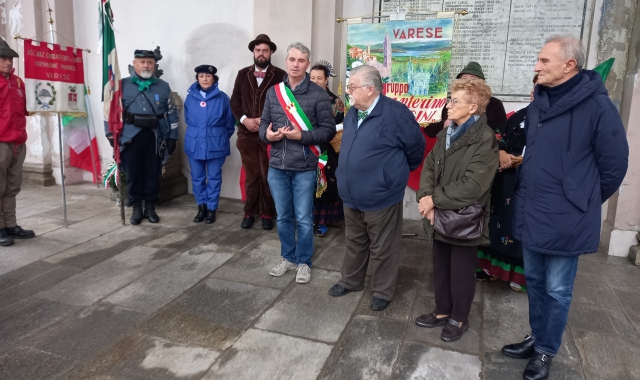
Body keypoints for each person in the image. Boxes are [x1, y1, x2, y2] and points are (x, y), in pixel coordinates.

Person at [501, 36, 629, 380]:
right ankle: (537, 336)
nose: (536, 66)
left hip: (567, 217)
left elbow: (615, 165)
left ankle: (545, 351)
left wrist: (580, 198)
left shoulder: (598, 106)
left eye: (543, 61)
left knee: (558, 290)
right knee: (536, 283)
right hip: (534, 209)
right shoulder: (541, 101)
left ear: (568, 65)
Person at [328, 65, 425, 311]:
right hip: (351, 194)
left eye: (352, 87)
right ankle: (351, 280)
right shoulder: (352, 112)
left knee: (383, 247)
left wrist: (389, 177)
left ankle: (382, 290)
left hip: (381, 195)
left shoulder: (396, 114)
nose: (348, 91)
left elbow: (416, 149)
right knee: (354, 241)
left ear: (370, 90)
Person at [415, 78, 498, 341]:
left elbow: (474, 185)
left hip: (463, 216)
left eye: (455, 101)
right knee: (440, 265)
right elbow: (429, 167)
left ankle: (459, 317)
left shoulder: (485, 138)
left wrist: (434, 200)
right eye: (450, 99)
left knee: (461, 270)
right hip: (439, 212)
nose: (449, 105)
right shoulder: (446, 132)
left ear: (473, 108)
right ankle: (442, 311)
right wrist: (426, 197)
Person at [259, 42, 335, 284]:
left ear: (307, 64)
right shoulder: (274, 92)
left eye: (301, 61)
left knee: (303, 217)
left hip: (303, 166)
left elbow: (328, 131)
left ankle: (303, 261)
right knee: (282, 217)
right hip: (277, 167)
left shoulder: (318, 94)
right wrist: (267, 136)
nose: (295, 64)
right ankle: (287, 257)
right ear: (286, 62)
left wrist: (301, 136)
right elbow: (263, 125)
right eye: (292, 59)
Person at [476, 74, 539, 292]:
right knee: (496, 222)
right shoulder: (520, 115)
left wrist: (519, 161)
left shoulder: (551, 120)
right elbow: (498, 133)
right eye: (533, 88)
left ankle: (518, 276)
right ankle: (493, 269)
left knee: (518, 225)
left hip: (527, 182)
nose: (534, 92)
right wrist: (501, 152)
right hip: (503, 179)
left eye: (539, 88)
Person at [105, 49, 179, 225]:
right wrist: (110, 134)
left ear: (154, 65)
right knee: (133, 174)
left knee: (152, 174)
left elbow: (172, 113)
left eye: (150, 62)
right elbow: (109, 112)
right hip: (130, 137)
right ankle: (137, 207)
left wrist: (172, 137)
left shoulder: (163, 86)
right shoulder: (121, 85)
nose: (146, 65)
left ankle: (151, 207)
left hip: (155, 137)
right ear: (134, 63)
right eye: (142, 62)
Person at [230, 34, 286, 230]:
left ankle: (267, 213)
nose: (261, 54)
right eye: (258, 50)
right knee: (252, 175)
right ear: (253, 52)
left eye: (265, 50)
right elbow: (234, 101)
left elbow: (285, 104)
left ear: (271, 52)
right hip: (246, 134)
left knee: (269, 175)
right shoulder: (242, 74)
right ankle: (249, 211)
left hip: (270, 133)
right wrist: (245, 120)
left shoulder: (280, 75)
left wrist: (268, 122)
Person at [184, 65, 236, 224]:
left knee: (214, 177)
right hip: (194, 144)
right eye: (201, 76)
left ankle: (212, 209)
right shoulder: (190, 98)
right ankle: (202, 207)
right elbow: (188, 119)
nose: (204, 79)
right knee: (197, 178)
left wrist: (217, 136)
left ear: (214, 78)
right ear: (197, 78)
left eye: (208, 76)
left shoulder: (223, 98)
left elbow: (229, 123)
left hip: (216, 144)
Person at [0, 38, 35, 246]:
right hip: (0, 143)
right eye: (3, 58)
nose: (8, 62)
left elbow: (24, 111)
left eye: (10, 59)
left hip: (18, 143)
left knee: (12, 188)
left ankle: (11, 225)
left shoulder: (18, 82)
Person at [424, 61, 506, 138]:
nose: (468, 81)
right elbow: (429, 130)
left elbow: (501, 131)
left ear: (481, 83)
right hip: (449, 147)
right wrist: (444, 124)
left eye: (473, 78)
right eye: (464, 78)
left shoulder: (494, 103)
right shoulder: (447, 101)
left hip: (481, 147)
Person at [309, 61, 344, 237]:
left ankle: (321, 220)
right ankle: (306, 219)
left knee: (324, 182)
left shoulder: (336, 102)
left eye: (319, 78)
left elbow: (337, 125)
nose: (315, 81)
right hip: (306, 147)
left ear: (326, 80)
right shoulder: (301, 99)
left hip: (327, 148)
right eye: (312, 78)